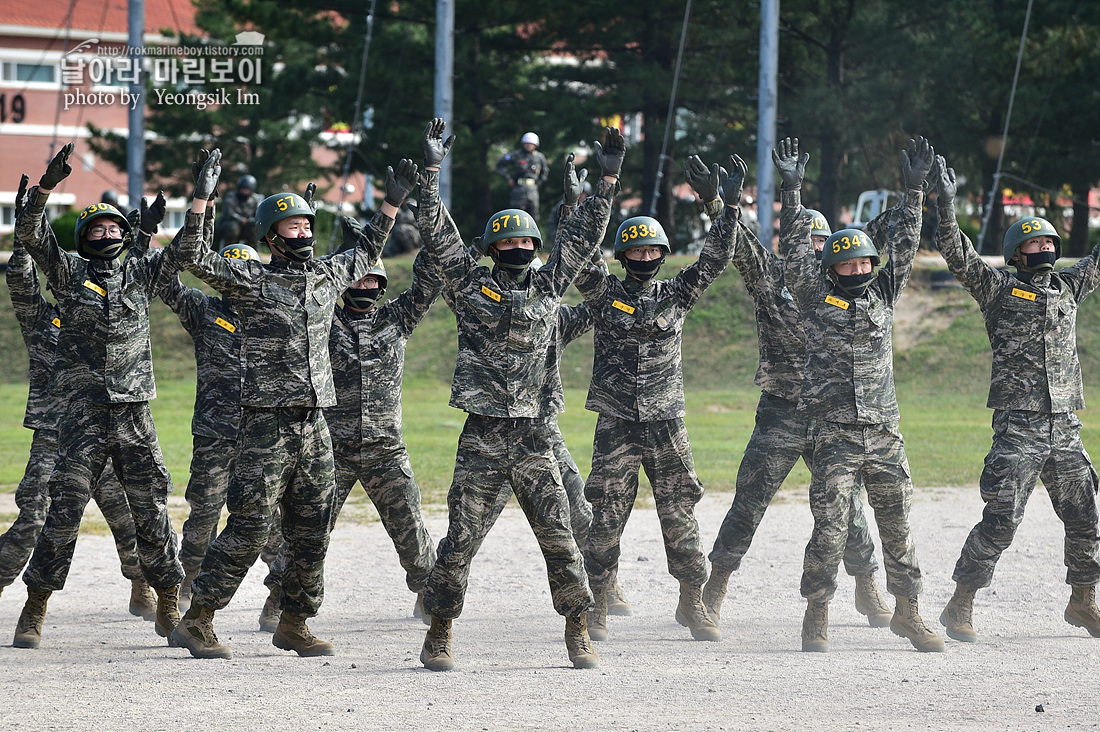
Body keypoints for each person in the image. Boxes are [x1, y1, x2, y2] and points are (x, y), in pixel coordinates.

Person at [169, 149, 409, 659]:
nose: (302, 233)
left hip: (315, 425)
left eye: (306, 225)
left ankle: (294, 621)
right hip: (265, 427)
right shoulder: (250, 283)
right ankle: (199, 618)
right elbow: (192, 257)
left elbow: (366, 252)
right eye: (291, 227)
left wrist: (392, 203)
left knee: (312, 528)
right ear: (270, 237)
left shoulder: (326, 278)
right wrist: (201, 199)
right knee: (250, 526)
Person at [416, 118, 622, 672]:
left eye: (525, 241)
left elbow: (581, 240)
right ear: (491, 247)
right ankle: (439, 630)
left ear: (533, 248)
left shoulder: (550, 286)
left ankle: (578, 629)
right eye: (505, 241)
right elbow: (437, 234)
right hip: (483, 433)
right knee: (459, 541)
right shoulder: (468, 286)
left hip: (534, 434)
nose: (516, 247)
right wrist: (430, 174)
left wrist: (607, 181)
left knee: (560, 540)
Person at [12, 144, 185, 649]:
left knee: (151, 513)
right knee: (62, 513)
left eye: (114, 229)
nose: (105, 235)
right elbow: (31, 236)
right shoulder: (68, 275)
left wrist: (199, 200)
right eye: (96, 229)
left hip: (133, 416)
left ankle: (169, 601)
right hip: (81, 417)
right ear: (83, 239)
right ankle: (35, 607)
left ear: (125, 235)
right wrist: (45, 190)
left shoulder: (140, 274)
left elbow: (186, 252)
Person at [776, 136, 943, 653]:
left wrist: (914, 193)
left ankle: (909, 612)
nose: (857, 271)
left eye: (863, 264)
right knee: (829, 532)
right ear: (831, 269)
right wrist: (793, 192)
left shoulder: (883, 294)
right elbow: (794, 250)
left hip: (884, 435)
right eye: (846, 265)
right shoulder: (813, 298)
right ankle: (817, 612)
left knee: (898, 529)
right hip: (835, 438)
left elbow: (908, 245)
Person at [702, 198, 892, 628]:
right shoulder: (770, 274)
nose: (813, 248)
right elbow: (740, 243)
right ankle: (714, 588)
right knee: (749, 503)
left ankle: (867, 585)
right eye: (806, 240)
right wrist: (718, 203)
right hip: (781, 410)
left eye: (821, 242)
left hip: (831, 414)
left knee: (849, 508)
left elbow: (883, 243)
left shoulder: (841, 290)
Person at [932, 156, 1100, 641]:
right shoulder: (998, 289)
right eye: (1034, 243)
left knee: (1085, 516)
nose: (1044, 248)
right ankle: (960, 603)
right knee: (1002, 518)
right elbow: (958, 254)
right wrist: (945, 205)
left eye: (1050, 241)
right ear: (1016, 253)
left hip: (1065, 425)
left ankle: (1084, 601)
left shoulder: (1069, 286)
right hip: (1019, 428)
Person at [575, 155, 741, 644]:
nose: (645, 259)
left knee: (680, 513)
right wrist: (602, 190)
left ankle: (692, 601)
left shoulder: (678, 294)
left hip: (667, 422)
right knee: (605, 515)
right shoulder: (602, 293)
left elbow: (715, 259)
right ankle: (598, 601)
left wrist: (726, 206)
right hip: (617, 424)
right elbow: (579, 255)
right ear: (624, 257)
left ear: (663, 255)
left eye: (652, 252)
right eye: (636, 252)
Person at [267, 230, 444, 624]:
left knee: (410, 530)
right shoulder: (324, 320)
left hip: (385, 450)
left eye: (371, 281)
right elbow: (302, 291)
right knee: (308, 531)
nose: (363, 286)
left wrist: (427, 226)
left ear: (381, 285)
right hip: (333, 449)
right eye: (357, 280)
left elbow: (430, 280)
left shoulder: (397, 318)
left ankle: (428, 595)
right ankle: (280, 596)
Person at [1, 174, 155, 624]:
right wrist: (22, 231)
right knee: (34, 518)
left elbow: (129, 274)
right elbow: (21, 275)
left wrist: (140, 233)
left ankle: (142, 585)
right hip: (55, 434)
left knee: (128, 519)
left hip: (106, 425)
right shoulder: (39, 320)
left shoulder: (104, 313)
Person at [495, 131, 550, 219]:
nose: (528, 145)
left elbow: (545, 171)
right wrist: (508, 178)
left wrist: (539, 183)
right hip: (518, 190)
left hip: (533, 190)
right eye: (526, 143)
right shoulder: (516, 155)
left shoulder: (540, 157)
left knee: (534, 216)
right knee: (517, 216)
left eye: (531, 143)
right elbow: (500, 165)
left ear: (535, 145)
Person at [214, 174, 262, 248]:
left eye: (247, 190)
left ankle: (249, 250)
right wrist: (241, 220)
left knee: (254, 229)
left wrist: (249, 221)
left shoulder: (255, 200)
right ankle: (229, 250)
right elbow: (229, 213)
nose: (245, 192)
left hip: (247, 226)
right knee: (233, 227)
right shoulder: (231, 196)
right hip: (229, 225)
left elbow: (258, 215)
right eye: (243, 189)